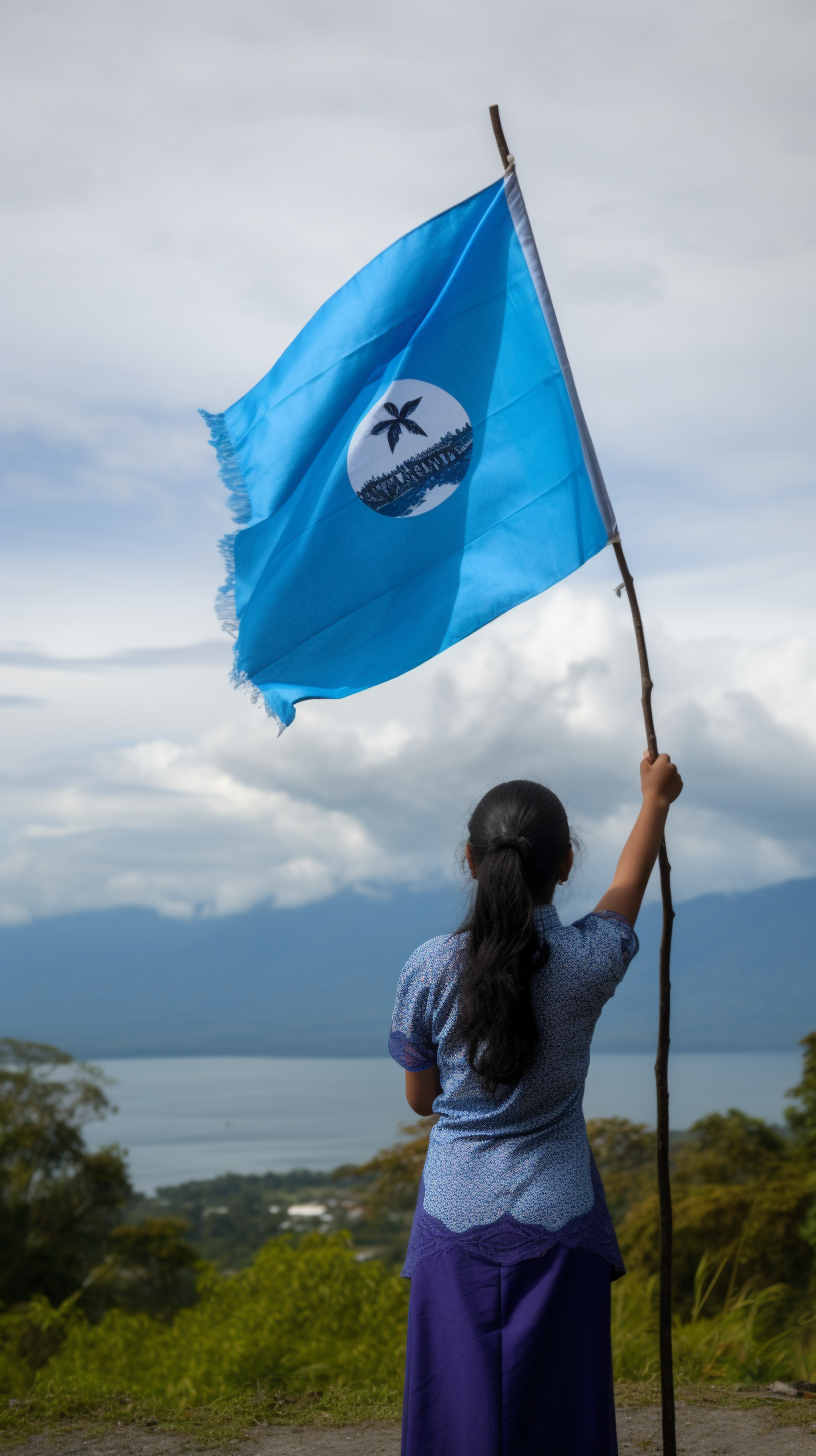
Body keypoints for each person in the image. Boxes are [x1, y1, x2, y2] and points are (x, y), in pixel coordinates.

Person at [389, 752, 683, 1456]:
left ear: (471, 859)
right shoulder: (590, 960)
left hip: (453, 1221)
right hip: (562, 1220)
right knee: (562, 1420)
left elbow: (421, 1099)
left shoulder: (429, 966)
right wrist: (656, 800)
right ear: (563, 864)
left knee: (452, 1413)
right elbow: (626, 888)